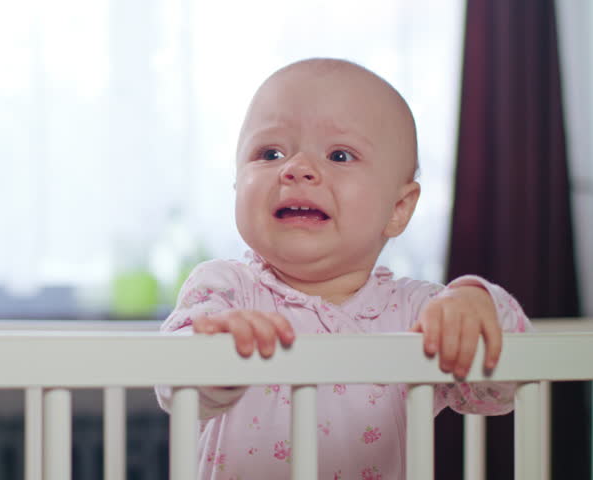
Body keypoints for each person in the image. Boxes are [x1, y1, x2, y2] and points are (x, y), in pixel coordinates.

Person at [155, 58, 531, 480]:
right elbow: (176, 383)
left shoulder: (419, 315)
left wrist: (474, 303)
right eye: (270, 153)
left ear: (399, 208)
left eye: (339, 155)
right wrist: (215, 356)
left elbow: (497, 392)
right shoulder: (225, 291)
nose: (295, 168)